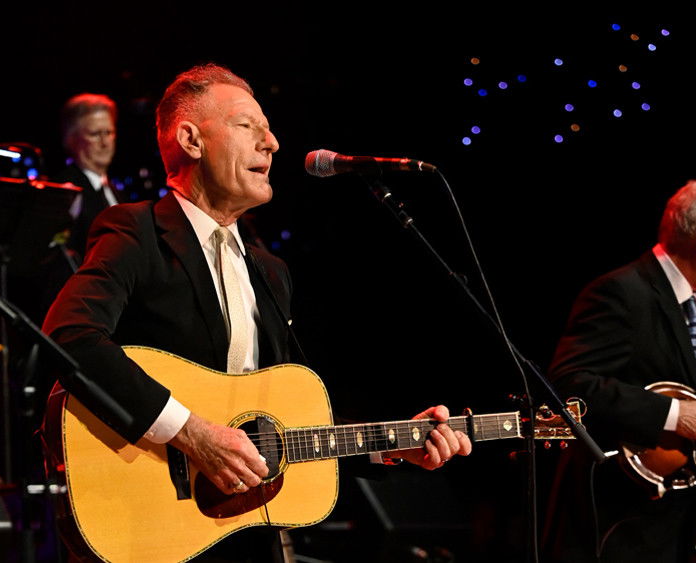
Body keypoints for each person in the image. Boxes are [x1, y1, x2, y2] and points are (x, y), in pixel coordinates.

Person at [42, 63, 471, 561]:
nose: (272, 143)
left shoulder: (270, 270)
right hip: (150, 524)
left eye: (268, 130)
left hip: (244, 532)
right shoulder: (135, 232)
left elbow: (285, 425)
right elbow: (70, 335)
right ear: (191, 140)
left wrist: (394, 444)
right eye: (248, 126)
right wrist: (192, 434)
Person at [543, 173, 696, 562]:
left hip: (666, 526)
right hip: (615, 527)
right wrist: (675, 414)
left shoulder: (690, 306)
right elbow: (569, 385)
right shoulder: (622, 292)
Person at [51, 93, 122, 263]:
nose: (104, 142)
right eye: (95, 134)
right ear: (72, 139)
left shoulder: (116, 193)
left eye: (109, 132)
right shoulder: (65, 190)